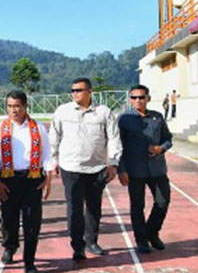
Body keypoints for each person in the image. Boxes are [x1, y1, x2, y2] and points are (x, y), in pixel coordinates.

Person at [49, 78, 122, 261]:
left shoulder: (103, 112)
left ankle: (91, 241)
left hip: (96, 168)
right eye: (72, 90)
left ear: (90, 92)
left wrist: (113, 162)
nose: (75, 93)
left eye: (79, 90)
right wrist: (53, 160)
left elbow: (113, 138)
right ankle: (77, 246)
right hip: (71, 167)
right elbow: (54, 137)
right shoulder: (63, 111)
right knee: (74, 209)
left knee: (93, 207)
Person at [0, 91, 52, 273]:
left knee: (32, 221)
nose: (13, 110)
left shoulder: (38, 128)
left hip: (32, 179)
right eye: (9, 106)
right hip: (8, 179)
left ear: (25, 106)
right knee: (9, 218)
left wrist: (48, 179)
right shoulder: (0, 129)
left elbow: (46, 154)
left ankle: (29, 261)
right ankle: (10, 247)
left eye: (17, 106)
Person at [118, 85, 173, 253]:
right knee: (137, 206)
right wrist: (122, 169)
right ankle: (141, 240)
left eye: (141, 97)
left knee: (163, 201)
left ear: (148, 98)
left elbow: (168, 139)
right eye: (134, 98)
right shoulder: (124, 119)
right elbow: (118, 146)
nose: (138, 101)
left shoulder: (157, 117)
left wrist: (160, 148)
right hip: (135, 170)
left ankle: (152, 232)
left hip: (157, 169)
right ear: (130, 99)